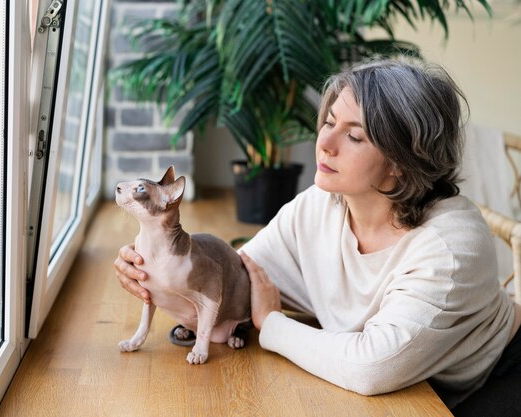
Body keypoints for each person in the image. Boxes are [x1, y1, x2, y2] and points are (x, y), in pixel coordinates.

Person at [113, 59, 521, 416]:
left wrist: (271, 323)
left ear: (400, 162)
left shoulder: (449, 248)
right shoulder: (322, 206)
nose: (323, 144)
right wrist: (157, 267)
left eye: (354, 136)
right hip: (412, 387)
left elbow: (370, 366)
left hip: (489, 383)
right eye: (328, 122)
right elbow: (242, 278)